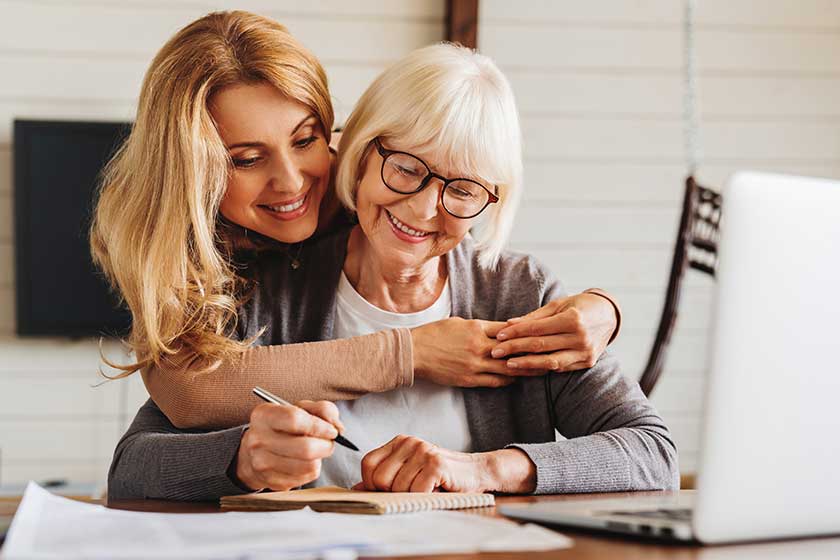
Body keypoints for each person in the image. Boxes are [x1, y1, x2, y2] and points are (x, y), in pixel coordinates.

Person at [106, 40, 678, 501]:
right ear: (362, 149)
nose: (425, 208)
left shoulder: (515, 291)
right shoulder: (263, 276)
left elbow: (655, 456)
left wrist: (486, 469)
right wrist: (239, 459)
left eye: (464, 188)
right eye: (407, 168)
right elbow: (137, 458)